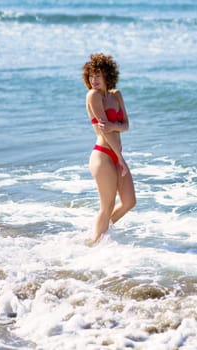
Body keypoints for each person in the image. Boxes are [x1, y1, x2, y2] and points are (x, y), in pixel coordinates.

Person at [82, 53, 136, 243]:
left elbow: (126, 125)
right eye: (90, 76)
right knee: (106, 206)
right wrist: (119, 158)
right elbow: (104, 130)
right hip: (103, 155)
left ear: (107, 75)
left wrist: (116, 127)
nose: (94, 80)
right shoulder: (93, 95)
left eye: (97, 75)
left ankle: (98, 234)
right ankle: (94, 243)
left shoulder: (116, 95)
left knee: (129, 201)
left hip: (116, 155)